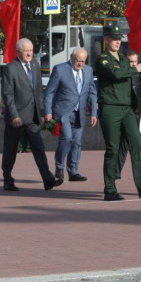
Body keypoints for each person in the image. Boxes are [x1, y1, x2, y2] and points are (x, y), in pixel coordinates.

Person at [95, 25, 141, 201]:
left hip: (127, 110)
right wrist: (135, 68)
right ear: (106, 39)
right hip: (110, 108)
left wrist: (135, 105)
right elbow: (115, 74)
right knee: (113, 149)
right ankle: (110, 189)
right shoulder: (102, 59)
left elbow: (128, 85)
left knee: (137, 145)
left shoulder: (124, 60)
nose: (117, 41)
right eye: (114, 38)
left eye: (119, 39)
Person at [1, 38, 61, 192]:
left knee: (39, 148)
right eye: (25, 50)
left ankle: (48, 180)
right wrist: (14, 115)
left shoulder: (35, 64)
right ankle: (7, 179)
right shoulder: (10, 68)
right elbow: (8, 95)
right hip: (17, 118)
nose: (29, 53)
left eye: (31, 50)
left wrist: (41, 113)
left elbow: (39, 91)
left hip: (33, 117)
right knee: (11, 150)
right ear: (18, 51)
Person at [44, 47, 98, 183]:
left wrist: (93, 113)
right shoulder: (60, 69)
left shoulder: (88, 70)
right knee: (67, 138)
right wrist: (48, 112)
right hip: (63, 112)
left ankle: (73, 172)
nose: (80, 63)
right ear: (71, 58)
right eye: (78, 60)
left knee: (77, 142)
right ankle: (59, 167)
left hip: (79, 113)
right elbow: (49, 92)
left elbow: (92, 93)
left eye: (83, 61)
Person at [115, 50, 141, 180]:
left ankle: (116, 171)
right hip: (126, 113)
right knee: (135, 142)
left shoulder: (140, 75)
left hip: (136, 113)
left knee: (126, 143)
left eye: (136, 61)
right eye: (131, 62)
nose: (133, 64)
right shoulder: (124, 74)